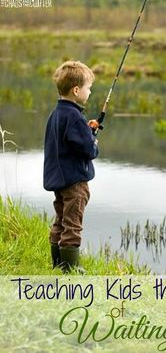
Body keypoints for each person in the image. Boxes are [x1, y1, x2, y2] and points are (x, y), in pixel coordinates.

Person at [43, 60, 99, 273]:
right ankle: (70, 268)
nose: (90, 91)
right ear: (76, 90)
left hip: (59, 180)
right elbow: (89, 150)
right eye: (88, 88)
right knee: (73, 223)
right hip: (75, 182)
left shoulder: (57, 114)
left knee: (61, 221)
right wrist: (93, 140)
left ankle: (57, 263)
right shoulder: (75, 117)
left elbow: (66, 143)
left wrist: (88, 130)